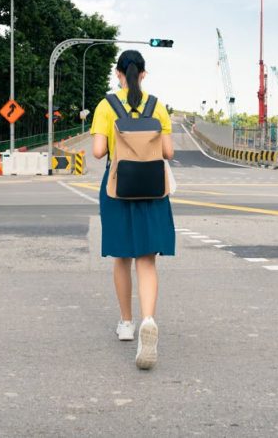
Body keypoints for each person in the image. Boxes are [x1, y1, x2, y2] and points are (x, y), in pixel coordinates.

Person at [90, 50, 174, 370]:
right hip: (152, 188)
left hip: (117, 187)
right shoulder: (158, 106)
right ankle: (148, 319)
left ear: (118, 74)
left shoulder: (106, 105)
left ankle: (126, 323)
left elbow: (98, 151)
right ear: (144, 74)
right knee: (147, 259)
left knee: (121, 256)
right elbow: (167, 151)